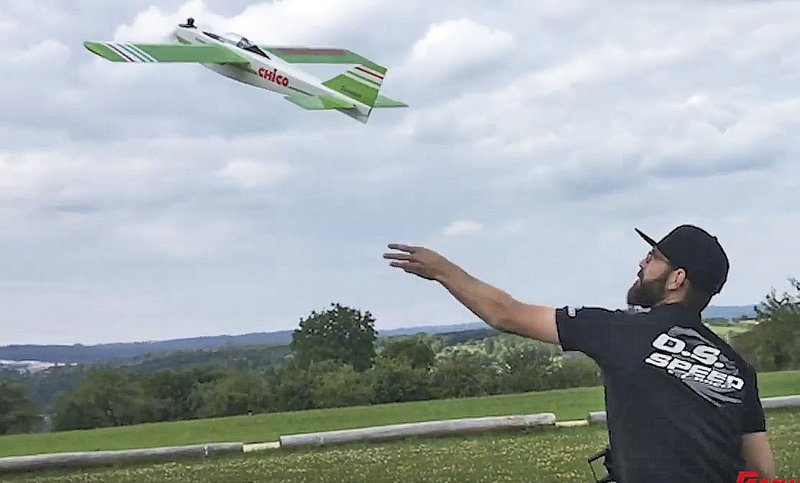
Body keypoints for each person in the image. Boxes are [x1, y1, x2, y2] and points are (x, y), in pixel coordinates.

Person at [383, 224, 776, 482]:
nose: (642, 263)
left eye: (654, 257)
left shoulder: (619, 331)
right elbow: (761, 472)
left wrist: (442, 269)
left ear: (677, 279)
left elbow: (506, 314)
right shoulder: (738, 368)